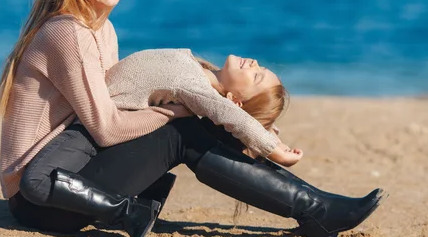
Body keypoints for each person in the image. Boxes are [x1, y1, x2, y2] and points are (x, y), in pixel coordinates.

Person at [0, 0, 384, 237]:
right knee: (180, 130)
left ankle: (316, 206)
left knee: (185, 124)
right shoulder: (67, 33)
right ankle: (316, 209)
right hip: (43, 193)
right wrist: (174, 110)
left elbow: (115, 111)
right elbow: (107, 126)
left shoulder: (102, 29)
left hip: (75, 172)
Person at [106, 49, 303, 166]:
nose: (255, 63)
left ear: (234, 101)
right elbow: (247, 119)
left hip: (93, 121)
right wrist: (272, 134)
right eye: (261, 68)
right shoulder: (199, 70)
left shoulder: (197, 88)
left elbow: (240, 121)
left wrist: (276, 151)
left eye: (256, 76)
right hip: (91, 105)